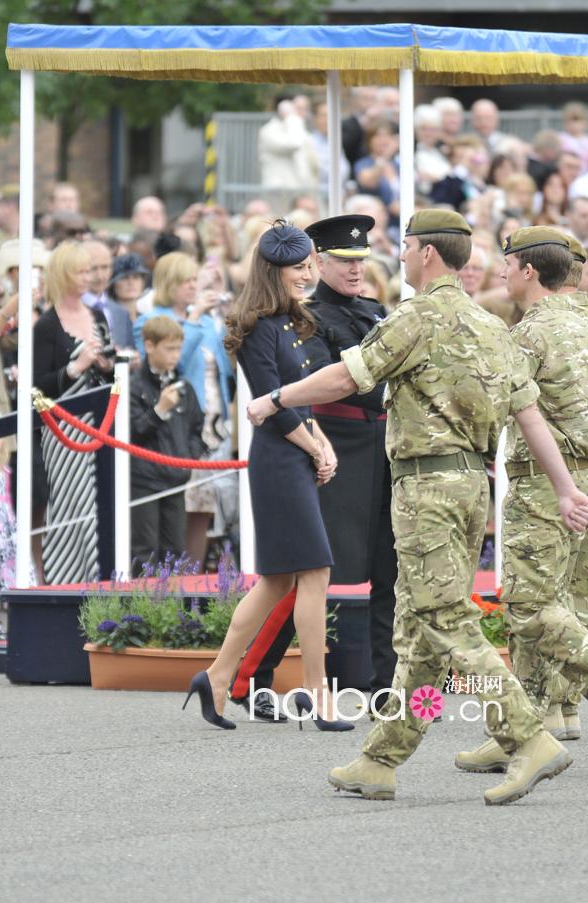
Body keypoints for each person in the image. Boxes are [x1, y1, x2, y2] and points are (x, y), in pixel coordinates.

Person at [247, 209, 588, 806]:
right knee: (418, 630)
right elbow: (529, 412)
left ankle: (525, 736)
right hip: (472, 486)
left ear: (426, 253)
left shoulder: (414, 317)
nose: (398, 257)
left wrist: (275, 399)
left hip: (427, 488)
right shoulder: (490, 324)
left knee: (445, 618)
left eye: (404, 248)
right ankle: (382, 758)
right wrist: (563, 487)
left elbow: (346, 378)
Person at [184, 220, 352, 732]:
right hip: (279, 459)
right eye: (297, 268)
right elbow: (272, 407)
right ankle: (318, 693)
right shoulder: (256, 325)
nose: (307, 275)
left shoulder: (289, 321)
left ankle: (216, 677)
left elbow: (301, 399)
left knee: (277, 580)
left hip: (295, 453)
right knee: (315, 573)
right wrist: (316, 448)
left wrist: (322, 446)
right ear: (272, 271)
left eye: (308, 266)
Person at [229, 215, 398, 720]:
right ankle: (251, 677)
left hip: (381, 444)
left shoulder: (375, 310)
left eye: (361, 260)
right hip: (332, 445)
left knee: (389, 571)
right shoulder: (307, 317)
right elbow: (337, 381)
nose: (355, 269)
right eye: (344, 261)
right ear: (320, 263)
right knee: (306, 573)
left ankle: (386, 689)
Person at [457, 229, 588, 773]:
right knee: (566, 600)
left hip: (546, 482)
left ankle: (532, 723)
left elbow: (497, 406)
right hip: (577, 478)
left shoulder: (529, 334)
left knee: (530, 605)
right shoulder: (583, 320)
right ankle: (529, 727)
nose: (502, 273)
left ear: (529, 271)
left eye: (508, 264)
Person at [33, 241, 115, 585]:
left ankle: (100, 577)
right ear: (63, 275)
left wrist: (108, 365)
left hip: (100, 423)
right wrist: (74, 368)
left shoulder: (97, 316)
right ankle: (65, 580)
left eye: (88, 271)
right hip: (63, 430)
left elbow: (111, 371)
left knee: (99, 503)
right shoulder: (47, 325)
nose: (87, 278)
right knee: (68, 503)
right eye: (80, 272)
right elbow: (37, 384)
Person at [130, 316, 205, 574]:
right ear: (149, 346)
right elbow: (131, 434)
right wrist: (159, 410)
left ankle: (173, 601)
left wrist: (188, 458)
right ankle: (141, 601)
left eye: (178, 349)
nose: (175, 355)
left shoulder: (185, 388)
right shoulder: (133, 386)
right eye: (169, 349)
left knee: (174, 552)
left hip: (176, 479)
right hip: (144, 483)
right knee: (145, 552)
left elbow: (197, 429)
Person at [0, 409, 35, 637]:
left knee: (7, 570)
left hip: (6, 527)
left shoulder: (5, 468)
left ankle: (11, 617)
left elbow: (7, 502)